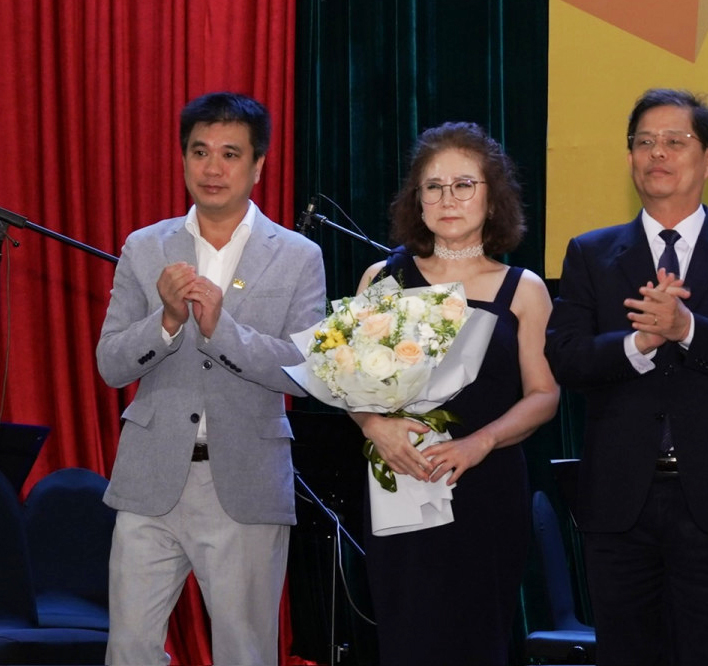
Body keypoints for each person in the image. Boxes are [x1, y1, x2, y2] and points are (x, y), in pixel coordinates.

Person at [545, 88, 708, 666]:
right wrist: (639, 343)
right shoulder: (590, 252)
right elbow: (566, 359)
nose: (656, 154)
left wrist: (689, 330)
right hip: (618, 501)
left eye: (674, 142)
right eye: (643, 142)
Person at [96, 92, 327, 666]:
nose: (213, 168)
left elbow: (307, 371)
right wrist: (168, 319)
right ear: (183, 160)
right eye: (199, 152)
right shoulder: (145, 247)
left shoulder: (298, 255)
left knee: (244, 653)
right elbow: (111, 363)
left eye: (230, 154)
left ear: (258, 166)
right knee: (128, 649)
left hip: (244, 482)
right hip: (150, 477)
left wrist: (221, 329)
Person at [351, 121, 559, 665]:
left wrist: (480, 443)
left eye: (464, 185)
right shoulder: (383, 277)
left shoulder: (524, 288)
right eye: (433, 186)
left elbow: (544, 395)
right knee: (405, 640)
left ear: (492, 199)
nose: (448, 198)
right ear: (415, 200)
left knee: (476, 641)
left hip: (485, 491)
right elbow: (345, 379)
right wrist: (375, 425)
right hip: (401, 482)